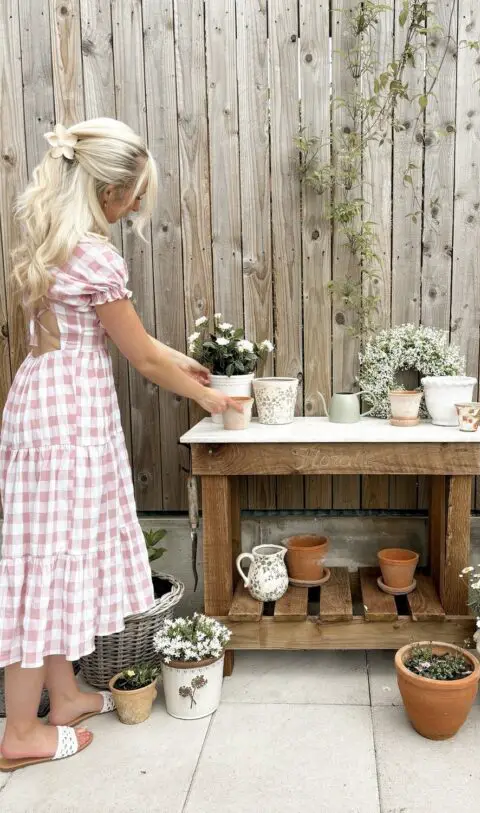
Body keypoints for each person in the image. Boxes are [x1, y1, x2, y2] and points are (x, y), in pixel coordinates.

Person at [0, 118, 240, 771]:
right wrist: (210, 396)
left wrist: (184, 364)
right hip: (68, 424)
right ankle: (20, 730)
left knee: (49, 560)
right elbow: (140, 356)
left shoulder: (51, 243)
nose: (136, 205)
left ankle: (65, 693)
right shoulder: (97, 255)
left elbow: (141, 345)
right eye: (133, 193)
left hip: (39, 411)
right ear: (108, 191)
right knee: (42, 571)